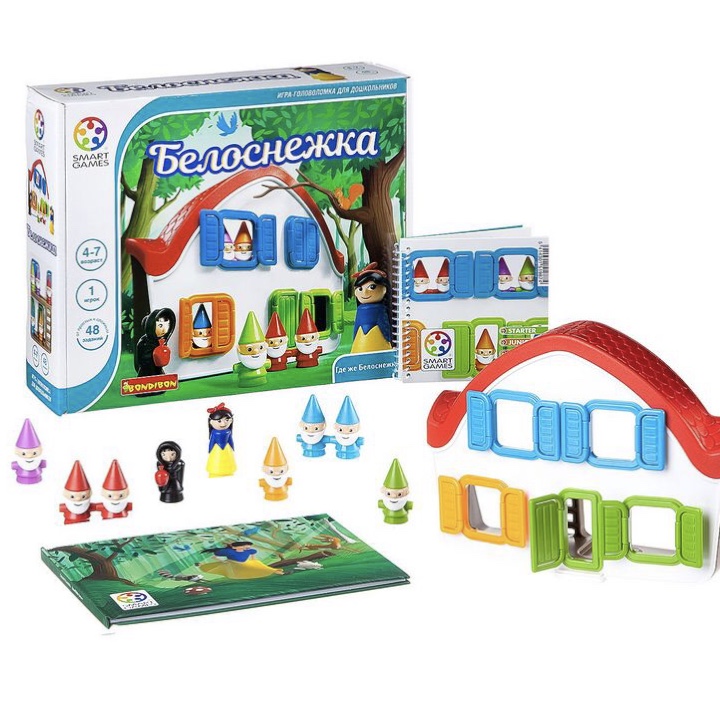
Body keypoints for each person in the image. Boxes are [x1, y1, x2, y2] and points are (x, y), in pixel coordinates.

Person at [351, 262, 392, 353]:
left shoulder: (380, 308)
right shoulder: (360, 309)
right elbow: (356, 326)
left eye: (372, 287)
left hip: (378, 343)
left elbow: (384, 324)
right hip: (360, 343)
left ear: (384, 289)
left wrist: (388, 339)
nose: (364, 293)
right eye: (360, 289)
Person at [134, 307, 176, 377]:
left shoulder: (161, 341)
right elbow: (140, 361)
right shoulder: (144, 342)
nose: (164, 330)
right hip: (146, 373)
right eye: (160, 326)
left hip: (158, 371)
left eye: (168, 325)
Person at [206, 403, 236, 477]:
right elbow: (212, 441)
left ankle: (228, 472)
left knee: (229, 466)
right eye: (219, 421)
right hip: (216, 451)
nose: (223, 423)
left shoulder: (228, 431)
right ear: (211, 422)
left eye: (226, 420)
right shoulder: (214, 432)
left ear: (231, 420)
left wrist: (232, 447)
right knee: (215, 465)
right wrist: (210, 450)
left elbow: (230, 440)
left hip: (227, 450)